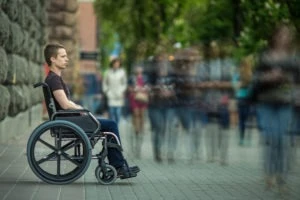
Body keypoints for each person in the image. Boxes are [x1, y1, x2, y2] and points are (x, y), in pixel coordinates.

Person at [43, 43, 139, 179]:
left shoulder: (54, 78)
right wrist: (82, 109)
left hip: (69, 119)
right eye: (63, 56)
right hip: (68, 120)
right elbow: (64, 104)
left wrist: (79, 109)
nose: (67, 59)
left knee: (109, 125)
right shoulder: (54, 80)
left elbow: (65, 104)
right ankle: (118, 166)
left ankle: (118, 164)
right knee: (111, 125)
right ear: (52, 59)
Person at [252, 23, 299, 193]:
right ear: (275, 36)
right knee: (271, 138)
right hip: (266, 102)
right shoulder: (265, 56)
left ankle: (282, 178)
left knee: (282, 140)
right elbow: (255, 78)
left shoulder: (293, 58)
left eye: (287, 35)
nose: (284, 37)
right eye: (281, 34)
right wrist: (268, 77)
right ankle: (269, 173)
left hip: (285, 103)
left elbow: (297, 81)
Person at [127, 66, 148, 158]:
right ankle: (136, 128)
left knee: (142, 115)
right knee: (136, 114)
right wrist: (133, 89)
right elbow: (128, 88)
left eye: (140, 68)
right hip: (134, 98)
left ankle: (141, 129)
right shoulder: (131, 78)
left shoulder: (146, 78)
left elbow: (148, 87)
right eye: (137, 68)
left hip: (143, 98)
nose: (139, 69)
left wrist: (143, 89)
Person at [102, 58, 127, 125]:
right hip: (111, 95)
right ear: (112, 64)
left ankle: (116, 128)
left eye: (117, 64)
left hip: (119, 96)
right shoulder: (108, 72)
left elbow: (124, 84)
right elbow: (104, 83)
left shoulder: (122, 72)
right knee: (111, 114)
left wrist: (121, 91)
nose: (116, 65)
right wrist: (107, 92)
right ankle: (113, 130)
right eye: (115, 64)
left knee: (118, 114)